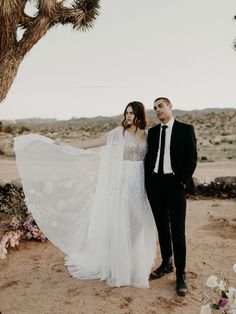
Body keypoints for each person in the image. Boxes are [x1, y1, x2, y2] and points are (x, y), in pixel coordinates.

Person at [14, 101, 157, 288]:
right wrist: (65, 145)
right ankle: (120, 266)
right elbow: (91, 144)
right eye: (126, 113)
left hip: (140, 185)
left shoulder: (147, 136)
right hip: (122, 185)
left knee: (138, 224)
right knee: (122, 223)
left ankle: (134, 264)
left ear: (140, 115)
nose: (128, 116)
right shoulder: (118, 134)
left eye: (132, 113)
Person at [144, 97, 197, 296]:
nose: (157, 110)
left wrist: (182, 183)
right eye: (155, 108)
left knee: (178, 231)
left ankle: (181, 274)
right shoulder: (153, 132)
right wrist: (149, 182)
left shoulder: (185, 129)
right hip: (156, 185)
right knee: (162, 228)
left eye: (161, 106)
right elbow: (149, 159)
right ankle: (167, 263)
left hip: (176, 185)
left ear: (170, 107)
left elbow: (192, 159)